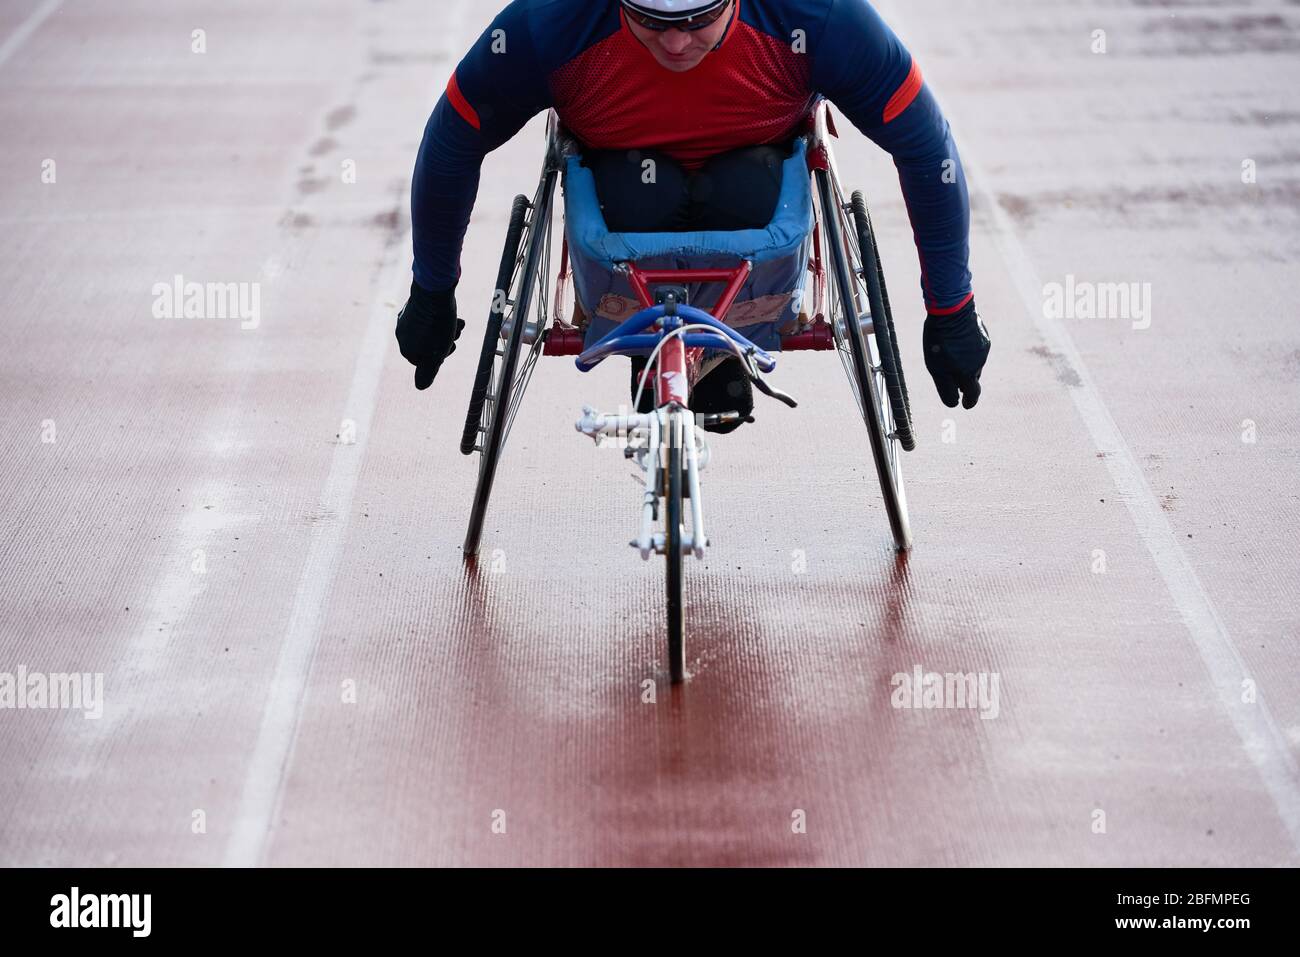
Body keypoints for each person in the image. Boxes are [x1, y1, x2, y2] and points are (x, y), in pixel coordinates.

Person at [396, 0, 991, 430]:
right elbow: (452, 139)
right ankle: (652, 340)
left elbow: (925, 145)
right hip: (624, 194)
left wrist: (951, 307)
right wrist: (432, 290)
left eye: (697, 20)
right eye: (652, 21)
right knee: (638, 189)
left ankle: (723, 343)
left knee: (748, 180)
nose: (676, 44)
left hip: (755, 188)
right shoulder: (548, 23)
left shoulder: (822, 17)